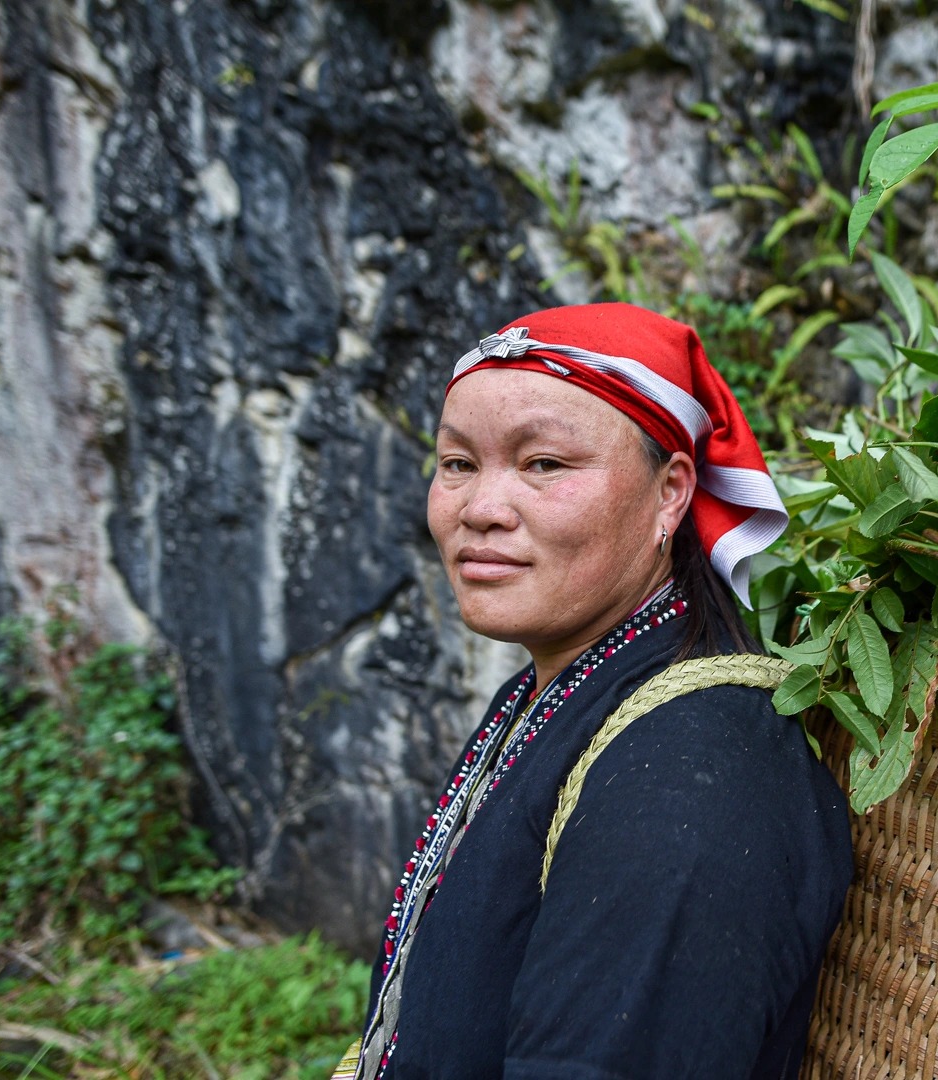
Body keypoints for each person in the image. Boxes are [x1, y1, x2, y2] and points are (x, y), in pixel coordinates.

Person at [343, 303, 853, 1080]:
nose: (481, 510)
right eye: (457, 463)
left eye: (544, 464)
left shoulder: (690, 772)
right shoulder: (555, 689)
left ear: (670, 493)